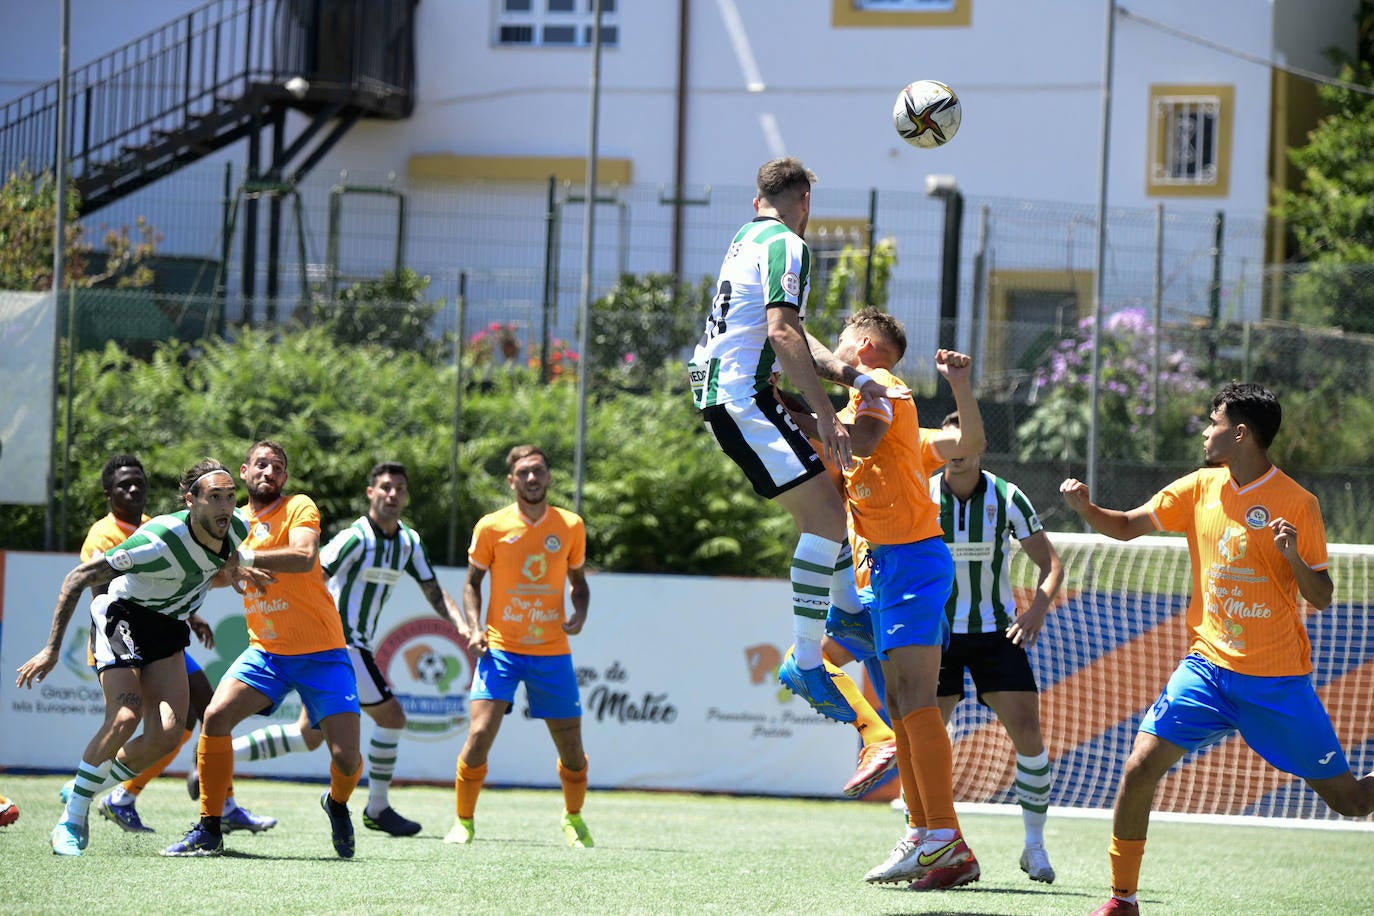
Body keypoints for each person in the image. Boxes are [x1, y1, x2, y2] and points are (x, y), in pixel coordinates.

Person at [1061, 382, 1374, 916]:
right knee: (1138, 769)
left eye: (1213, 421)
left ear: (1242, 432)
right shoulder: (1199, 487)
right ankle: (1123, 899)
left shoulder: (1299, 503)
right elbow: (1129, 527)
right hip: (1206, 670)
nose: (1206, 431)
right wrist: (1086, 507)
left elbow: (1321, 596)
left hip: (1276, 684)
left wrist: (1293, 556)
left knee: (1351, 802)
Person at [690, 156, 908, 721]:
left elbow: (791, 333)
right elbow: (781, 331)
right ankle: (808, 662)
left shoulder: (747, 238)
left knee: (828, 509)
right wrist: (827, 414)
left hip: (731, 393)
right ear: (805, 201)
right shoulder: (789, 244)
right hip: (743, 397)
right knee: (826, 521)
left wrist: (851, 375)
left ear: (756, 199)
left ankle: (848, 612)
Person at [788, 309, 986, 888]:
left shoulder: (885, 389)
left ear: (865, 345)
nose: (838, 353)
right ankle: (926, 835)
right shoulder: (859, 408)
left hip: (912, 562)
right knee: (900, 705)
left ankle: (943, 836)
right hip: (879, 570)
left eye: (844, 341)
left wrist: (791, 348)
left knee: (916, 701)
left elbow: (871, 439)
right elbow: (842, 445)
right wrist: (785, 408)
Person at [220, 460, 468, 837]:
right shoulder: (356, 537)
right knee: (392, 718)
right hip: (342, 645)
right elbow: (315, 570)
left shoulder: (409, 542)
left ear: (406, 496)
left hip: (351, 647)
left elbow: (432, 589)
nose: (392, 494)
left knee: (309, 735)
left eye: (399, 488)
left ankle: (219, 756)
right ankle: (378, 806)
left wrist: (463, 625)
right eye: (385, 487)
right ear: (371, 493)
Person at [16, 458, 249, 856]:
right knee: (126, 715)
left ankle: (84, 784)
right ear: (191, 500)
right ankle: (72, 818)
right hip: (123, 613)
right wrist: (52, 649)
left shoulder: (237, 529)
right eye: (214, 497)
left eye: (230, 497)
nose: (225, 506)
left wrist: (239, 569)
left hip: (169, 624)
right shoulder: (157, 539)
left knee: (167, 736)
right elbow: (78, 578)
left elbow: (217, 565)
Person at [162, 441, 364, 858]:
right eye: (261, 464)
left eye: (277, 466)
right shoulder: (230, 522)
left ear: (284, 478)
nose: (268, 471)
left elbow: (307, 556)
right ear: (244, 472)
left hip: (323, 653)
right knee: (215, 717)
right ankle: (209, 828)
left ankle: (337, 803)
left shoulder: (299, 507)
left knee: (346, 759)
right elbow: (216, 574)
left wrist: (245, 558)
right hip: (267, 652)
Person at [74, 454, 274, 836]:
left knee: (186, 719)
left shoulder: (158, 525)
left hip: (163, 630)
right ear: (108, 493)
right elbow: (101, 590)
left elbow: (180, 577)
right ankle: (112, 794)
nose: (134, 489)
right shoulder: (105, 534)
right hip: (120, 634)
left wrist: (197, 610)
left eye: (139, 482)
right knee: (192, 709)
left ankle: (119, 794)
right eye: (123, 484)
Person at [925, 411, 1064, 889]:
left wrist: (1037, 610)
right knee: (925, 737)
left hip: (996, 633)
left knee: (1027, 731)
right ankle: (926, 840)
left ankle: (1035, 846)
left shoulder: (1007, 497)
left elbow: (1051, 565)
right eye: (949, 441)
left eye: (966, 441)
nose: (957, 449)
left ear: (981, 446)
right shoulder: (921, 494)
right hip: (935, 635)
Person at [445, 445, 592, 848]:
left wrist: (579, 613)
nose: (532, 478)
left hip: (552, 651)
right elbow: (472, 583)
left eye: (538, 471)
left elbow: (578, 584)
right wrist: (475, 627)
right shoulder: (491, 526)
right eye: (524, 473)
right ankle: (464, 822)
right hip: (500, 650)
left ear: (548, 476)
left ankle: (574, 818)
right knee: (478, 735)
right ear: (511, 481)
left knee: (573, 750)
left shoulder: (570, 525)